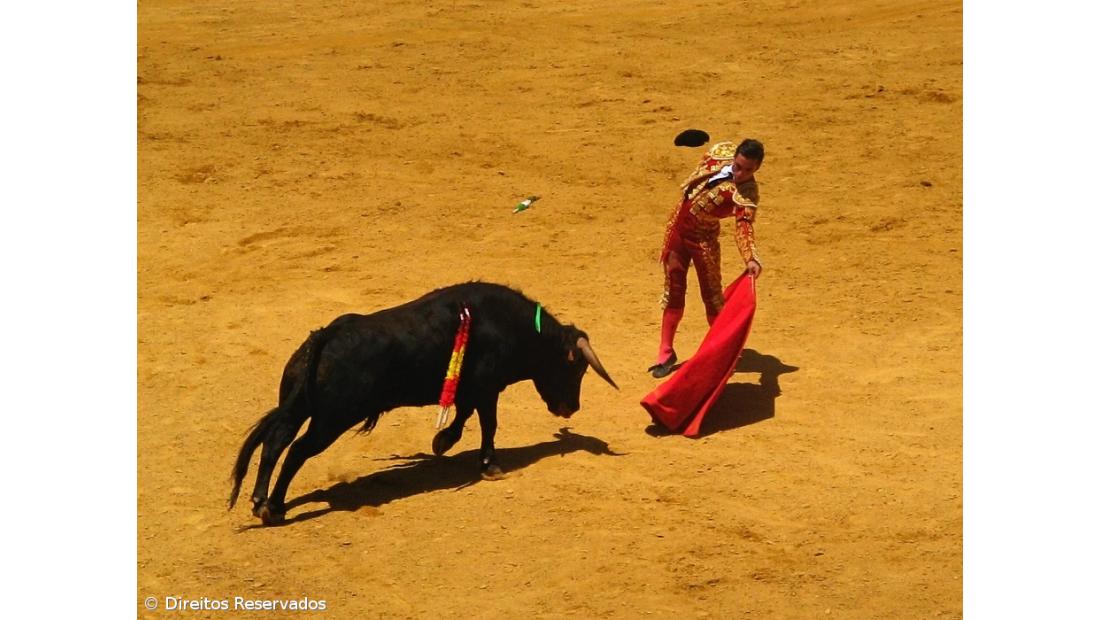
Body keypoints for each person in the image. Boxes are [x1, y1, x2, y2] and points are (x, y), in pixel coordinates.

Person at [649, 138, 765, 378]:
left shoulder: (747, 194)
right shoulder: (720, 152)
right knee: (674, 287)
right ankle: (666, 351)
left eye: (748, 170)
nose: (740, 173)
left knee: (712, 296)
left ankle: (725, 354)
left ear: (757, 169)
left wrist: (751, 257)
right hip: (677, 230)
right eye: (738, 165)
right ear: (734, 157)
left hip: (703, 239)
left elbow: (743, 226)